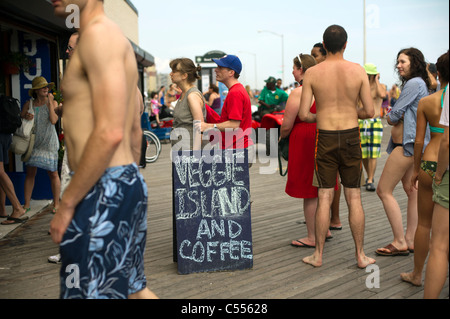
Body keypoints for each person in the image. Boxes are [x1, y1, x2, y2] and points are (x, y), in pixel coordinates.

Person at [50, 0, 158, 299]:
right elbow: (133, 132)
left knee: (87, 292)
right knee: (135, 289)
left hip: (102, 188)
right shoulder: (110, 37)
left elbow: (110, 132)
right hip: (119, 182)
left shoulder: (98, 35)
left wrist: (68, 203)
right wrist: (130, 185)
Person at [299, 25, 375, 269]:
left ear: (324, 45)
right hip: (352, 136)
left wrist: (322, 115)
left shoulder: (312, 73)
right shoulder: (358, 70)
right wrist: (351, 112)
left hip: (326, 137)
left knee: (324, 195)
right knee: (354, 195)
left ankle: (318, 255)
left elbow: (303, 114)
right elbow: (370, 112)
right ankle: (361, 256)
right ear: (345, 45)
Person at [376, 48, 431, 257]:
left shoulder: (414, 83)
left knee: (383, 190)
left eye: (403, 62)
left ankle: (399, 241)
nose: (398, 65)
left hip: (406, 147)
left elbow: (394, 114)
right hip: (409, 146)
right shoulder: (419, 83)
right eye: (398, 62)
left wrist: (392, 116)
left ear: (414, 63)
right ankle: (410, 239)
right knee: (411, 190)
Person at [401, 51, 448, 287]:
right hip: (446, 166)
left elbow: (419, 141)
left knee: (425, 223)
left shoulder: (427, 102)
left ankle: (417, 274)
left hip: (429, 163)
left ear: (438, 74)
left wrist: (417, 169)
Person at [280, 53, 334, 248]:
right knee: (323, 186)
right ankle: (324, 228)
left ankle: (312, 237)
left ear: (302, 70)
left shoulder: (298, 92)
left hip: (305, 139)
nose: (293, 72)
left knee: (309, 189)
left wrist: (281, 137)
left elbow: (286, 124)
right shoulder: (326, 88)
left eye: (294, 68)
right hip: (325, 136)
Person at [12, 76, 60, 220]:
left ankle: (56, 204)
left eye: (47, 87)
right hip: (34, 143)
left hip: (49, 142)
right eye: (43, 87)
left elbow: (53, 120)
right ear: (36, 91)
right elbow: (20, 120)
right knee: (31, 173)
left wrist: (51, 102)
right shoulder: (29, 104)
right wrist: (25, 116)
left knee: (53, 174)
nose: (46, 89)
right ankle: (26, 204)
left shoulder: (53, 102)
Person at [311, 42, 342, 231]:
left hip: (327, 131)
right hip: (341, 131)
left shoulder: (321, 76)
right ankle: (332, 218)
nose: (313, 59)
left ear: (324, 55)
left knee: (328, 180)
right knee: (333, 178)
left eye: (315, 55)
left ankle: (333, 218)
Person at [200, 55, 254, 160]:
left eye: (220, 67)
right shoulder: (236, 90)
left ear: (231, 72)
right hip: (237, 148)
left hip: (237, 150)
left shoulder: (235, 92)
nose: (216, 70)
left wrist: (208, 126)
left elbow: (234, 124)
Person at [423, 83, 449, 299]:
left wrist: (440, 173)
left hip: (435, 162)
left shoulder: (434, 99)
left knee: (438, 243)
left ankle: (416, 274)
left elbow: (446, 141)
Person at [358, 63, 387, 192]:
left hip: (374, 121)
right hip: (361, 122)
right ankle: (369, 175)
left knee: (373, 153)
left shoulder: (380, 87)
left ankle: (370, 178)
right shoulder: (360, 87)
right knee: (363, 153)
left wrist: (376, 79)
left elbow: (382, 95)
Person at [170, 58, 206, 151]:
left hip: (189, 152)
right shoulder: (184, 94)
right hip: (181, 150)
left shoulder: (192, 96)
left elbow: (199, 127)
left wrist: (195, 155)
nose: (171, 74)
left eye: (174, 71)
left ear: (184, 75)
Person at [0, 134, 27, 224]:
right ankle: (2, 210)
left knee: (0, 172)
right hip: (6, 135)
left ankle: (17, 207)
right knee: (1, 171)